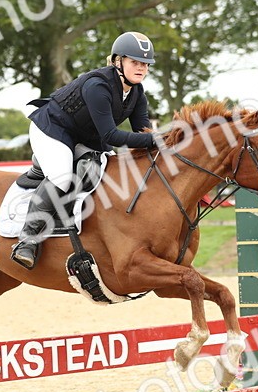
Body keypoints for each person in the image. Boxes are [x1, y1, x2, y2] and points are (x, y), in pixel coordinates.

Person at [10, 31, 160, 269]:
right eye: (135, 62)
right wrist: (155, 140)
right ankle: (27, 240)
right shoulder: (97, 86)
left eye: (145, 64)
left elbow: (144, 135)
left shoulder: (137, 93)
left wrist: (163, 142)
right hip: (52, 129)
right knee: (61, 176)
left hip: (84, 136)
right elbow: (112, 136)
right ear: (118, 61)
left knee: (102, 170)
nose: (141, 68)